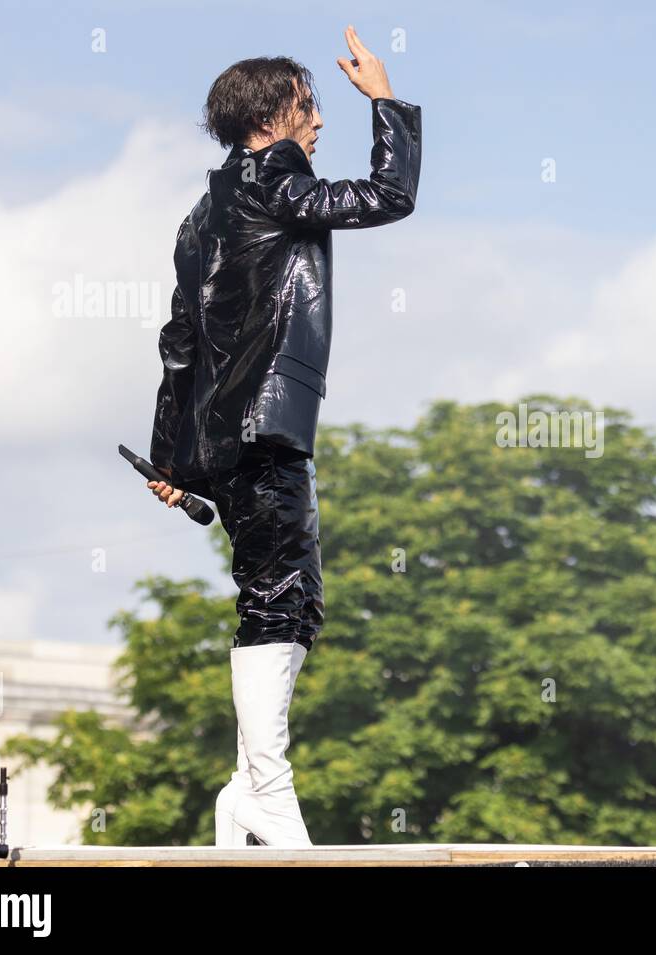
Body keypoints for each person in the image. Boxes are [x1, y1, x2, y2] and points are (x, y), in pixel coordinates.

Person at [145, 25, 422, 847]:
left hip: (227, 442)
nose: (319, 121)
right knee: (284, 599)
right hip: (271, 432)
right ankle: (267, 783)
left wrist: (174, 460)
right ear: (272, 114)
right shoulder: (273, 182)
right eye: (311, 105)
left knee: (267, 595)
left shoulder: (200, 217)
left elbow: (180, 344)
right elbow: (385, 197)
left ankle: (244, 789)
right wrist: (386, 101)